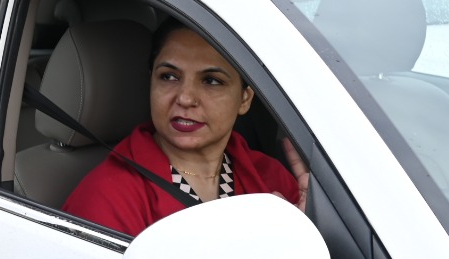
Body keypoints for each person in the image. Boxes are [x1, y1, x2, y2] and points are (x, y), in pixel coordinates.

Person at [63, 21, 309, 236]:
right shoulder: (108, 196)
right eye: (169, 77)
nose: (185, 98)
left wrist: (308, 233)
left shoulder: (271, 178)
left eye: (211, 81)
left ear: (245, 99)